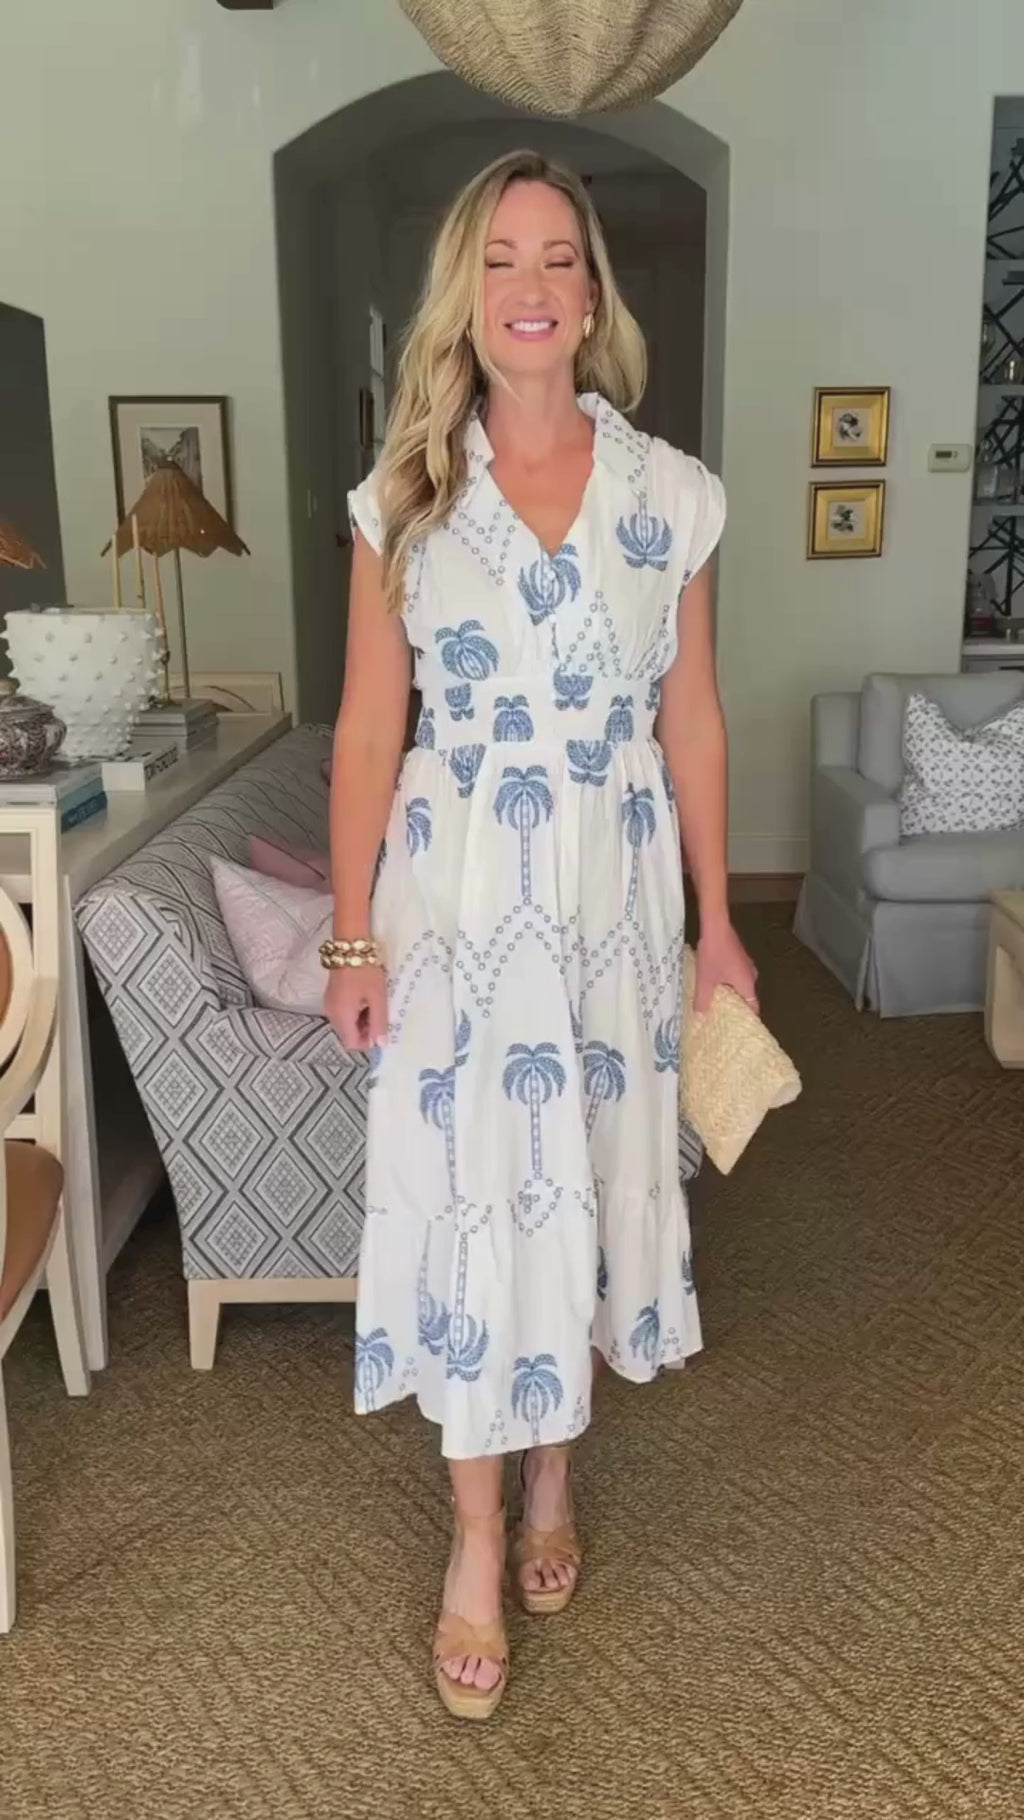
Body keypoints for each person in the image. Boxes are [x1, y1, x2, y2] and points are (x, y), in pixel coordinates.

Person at [324, 149, 757, 1721]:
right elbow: (369, 732)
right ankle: (472, 1532)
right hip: (458, 904)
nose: (530, 286)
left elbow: (691, 720)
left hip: (613, 898)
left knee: (583, 1170)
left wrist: (722, 925)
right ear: (465, 294)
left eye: (558, 258)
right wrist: (353, 938)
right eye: (500, 258)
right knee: (470, 1195)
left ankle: (555, 1471)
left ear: (591, 296)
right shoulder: (404, 499)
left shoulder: (674, 496)